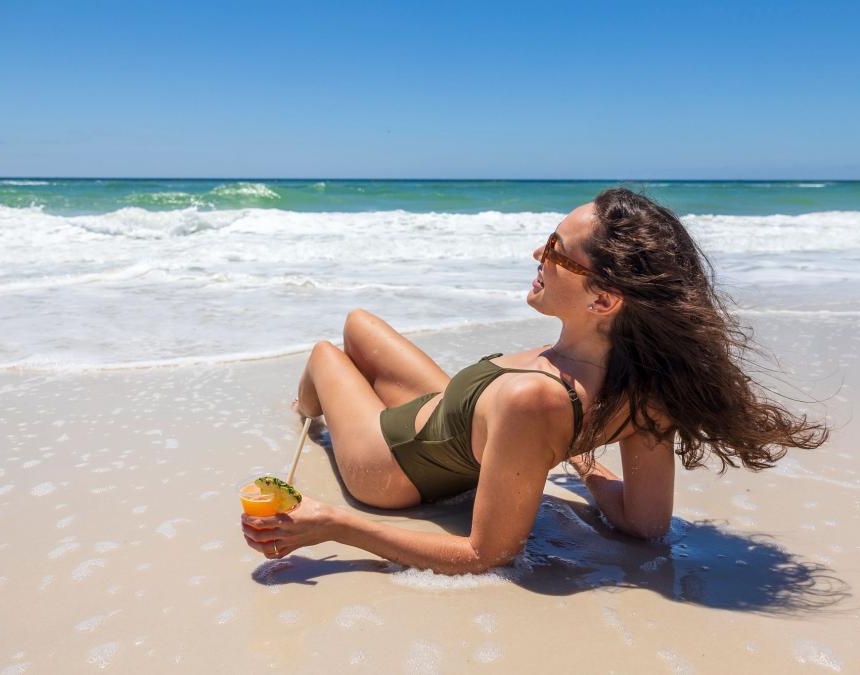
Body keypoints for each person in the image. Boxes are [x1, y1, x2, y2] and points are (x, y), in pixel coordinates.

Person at [241, 187, 829, 575]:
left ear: (603, 297)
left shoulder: (537, 398)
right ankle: (319, 411)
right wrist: (585, 467)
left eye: (555, 250)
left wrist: (333, 524)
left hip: (392, 464)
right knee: (357, 325)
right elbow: (646, 524)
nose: (537, 254)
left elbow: (482, 556)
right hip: (451, 417)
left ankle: (304, 414)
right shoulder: (643, 385)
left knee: (325, 353)